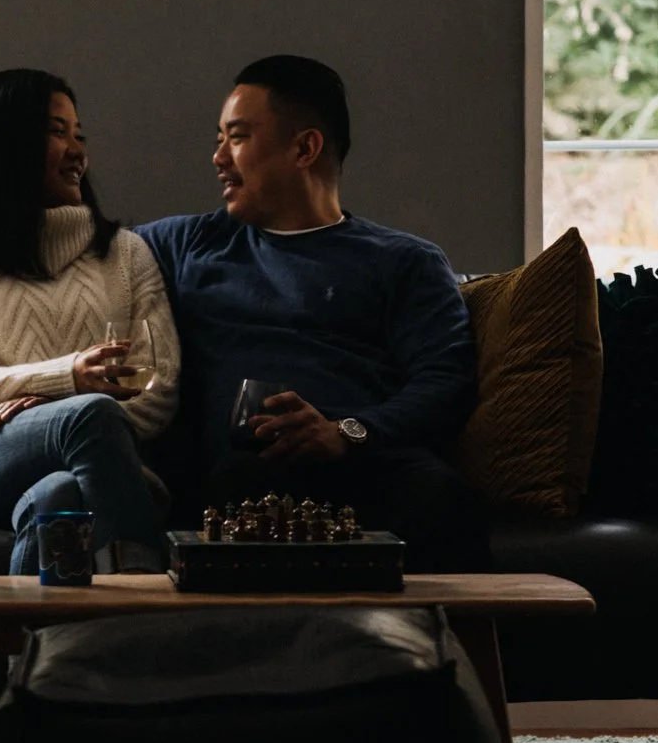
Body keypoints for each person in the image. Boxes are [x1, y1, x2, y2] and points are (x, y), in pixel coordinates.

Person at [133, 55, 489, 572]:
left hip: (367, 465)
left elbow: (445, 381)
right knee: (235, 483)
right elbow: (80, 253)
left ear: (305, 148)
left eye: (236, 138)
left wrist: (346, 432)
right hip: (238, 473)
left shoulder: (404, 260)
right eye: (219, 139)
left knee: (442, 497)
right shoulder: (186, 244)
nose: (218, 158)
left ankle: (450, 653)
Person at [0, 69, 180, 574]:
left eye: (79, 135)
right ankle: (144, 611)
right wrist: (69, 383)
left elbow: (158, 390)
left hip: (94, 458)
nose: (77, 150)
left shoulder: (125, 255)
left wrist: (51, 411)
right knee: (89, 414)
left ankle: (30, 649)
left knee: (60, 492)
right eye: (56, 132)